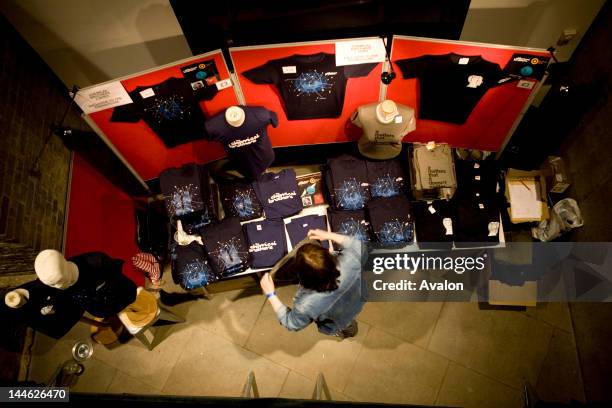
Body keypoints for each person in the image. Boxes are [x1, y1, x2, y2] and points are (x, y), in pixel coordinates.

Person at [259, 229, 365, 339]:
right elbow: (359, 246)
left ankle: (343, 331)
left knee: (342, 326)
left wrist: (271, 294)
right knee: (349, 317)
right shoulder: (350, 261)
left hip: (335, 320)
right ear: (328, 256)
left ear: (301, 276)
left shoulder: (306, 305)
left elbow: (291, 323)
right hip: (354, 301)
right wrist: (329, 235)